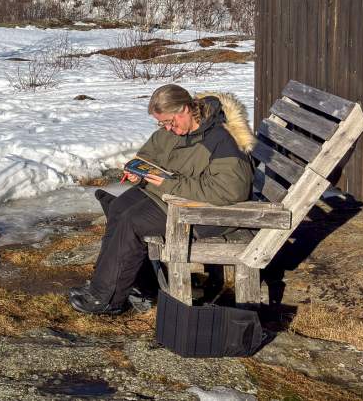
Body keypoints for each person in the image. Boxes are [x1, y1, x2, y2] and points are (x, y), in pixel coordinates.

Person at [69, 84, 255, 315]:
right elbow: (150, 152)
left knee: (132, 222)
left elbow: (230, 191)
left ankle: (106, 299)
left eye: (170, 122)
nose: (168, 128)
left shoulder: (222, 140)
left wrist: (166, 183)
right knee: (117, 207)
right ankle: (123, 283)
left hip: (208, 213)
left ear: (186, 109)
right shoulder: (175, 131)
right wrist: (139, 168)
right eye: (162, 123)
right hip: (174, 198)